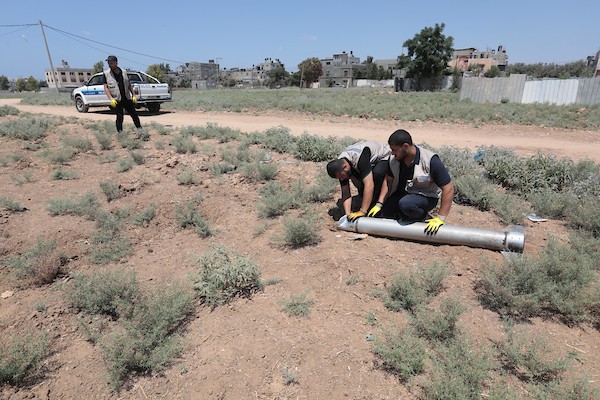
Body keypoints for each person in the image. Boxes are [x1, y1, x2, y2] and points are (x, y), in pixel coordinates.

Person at [368, 129, 454, 234]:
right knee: (381, 213)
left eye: (395, 150)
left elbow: (448, 188)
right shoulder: (393, 160)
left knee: (406, 205)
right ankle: (404, 215)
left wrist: (441, 218)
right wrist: (379, 204)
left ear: (405, 146)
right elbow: (388, 181)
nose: (392, 153)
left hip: (425, 196)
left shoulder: (430, 160)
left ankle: (424, 217)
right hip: (402, 195)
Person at [326, 140, 391, 221]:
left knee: (377, 174)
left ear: (345, 167)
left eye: (341, 176)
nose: (342, 179)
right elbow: (346, 193)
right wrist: (347, 215)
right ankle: (368, 202)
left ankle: (379, 203)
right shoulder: (341, 168)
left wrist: (362, 211)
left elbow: (369, 185)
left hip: (385, 156)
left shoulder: (360, 158)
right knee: (358, 179)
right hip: (368, 163)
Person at [102, 55, 148, 140]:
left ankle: (141, 132)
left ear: (116, 63)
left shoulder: (124, 72)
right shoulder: (106, 74)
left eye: (111, 63)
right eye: (108, 63)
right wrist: (111, 98)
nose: (109, 64)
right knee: (119, 117)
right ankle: (120, 135)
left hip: (126, 98)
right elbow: (106, 87)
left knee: (134, 115)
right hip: (117, 99)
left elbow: (129, 84)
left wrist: (133, 94)